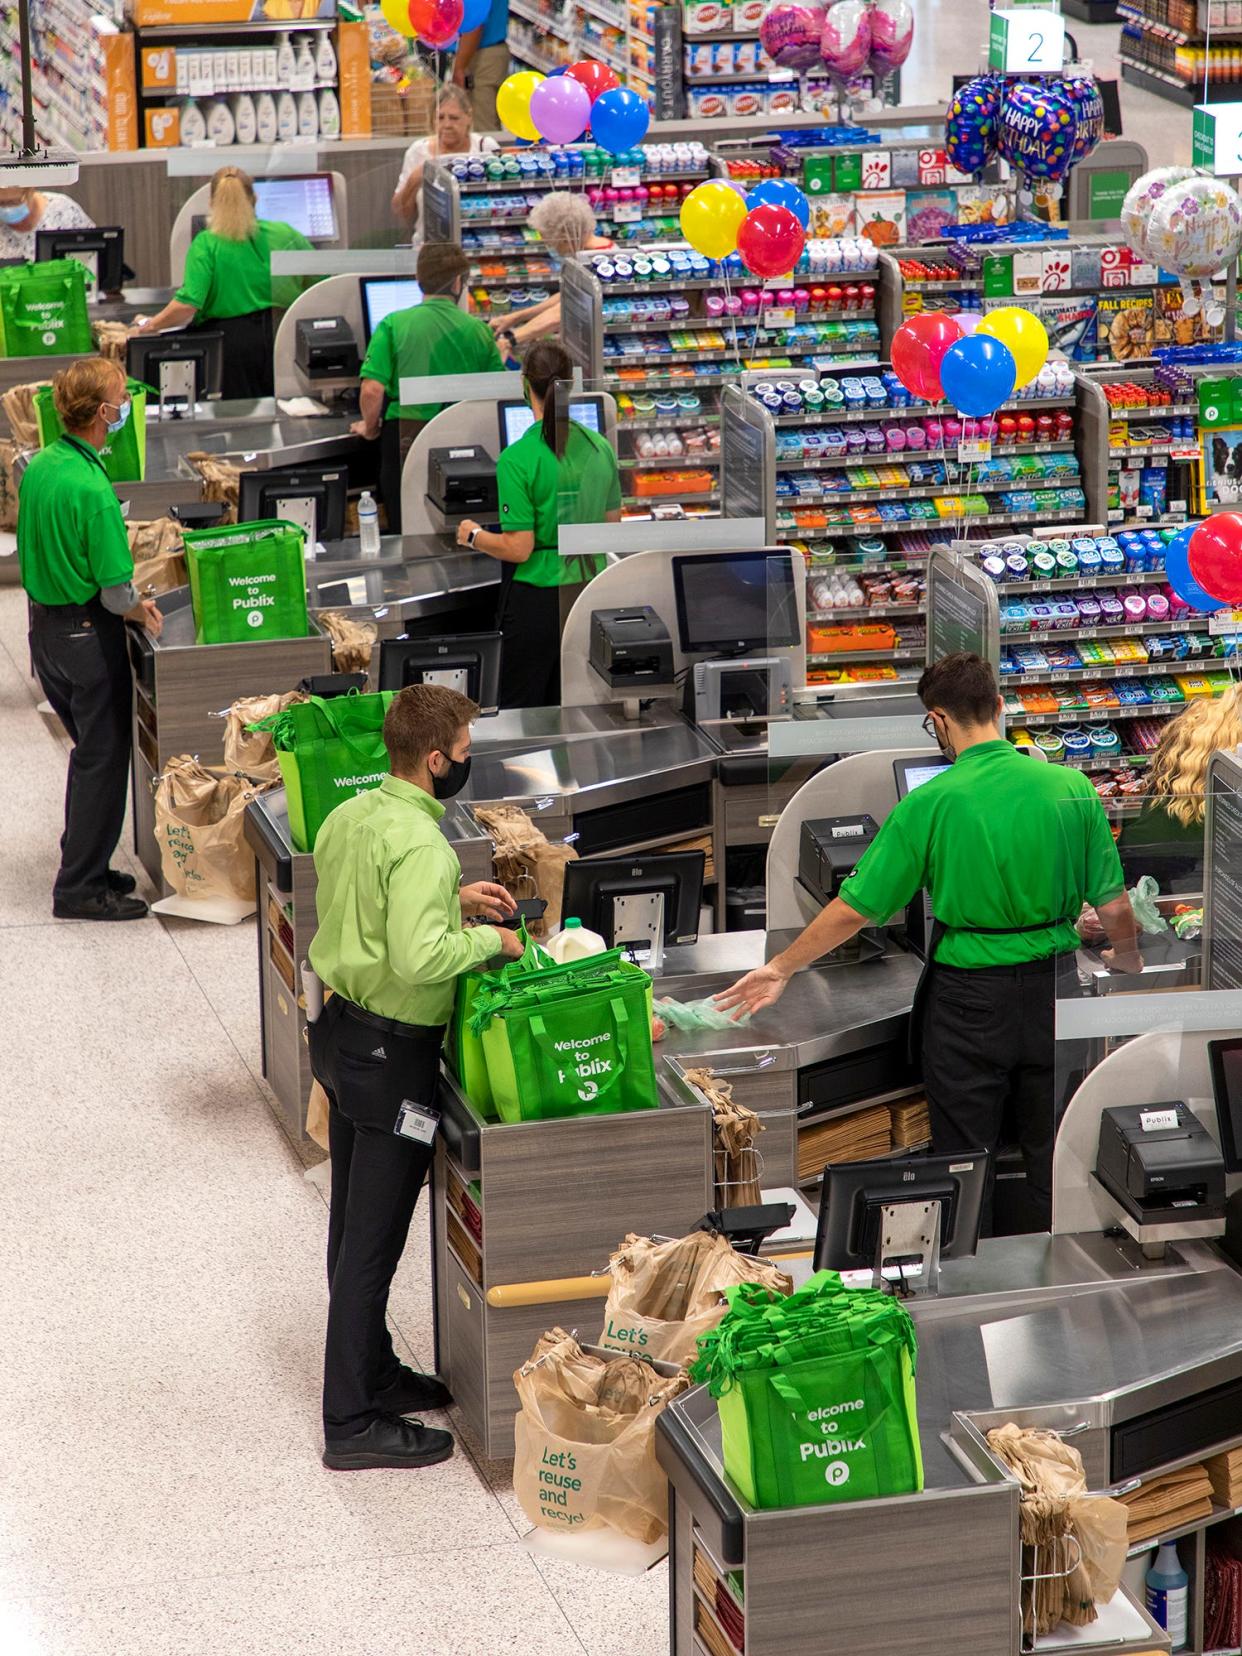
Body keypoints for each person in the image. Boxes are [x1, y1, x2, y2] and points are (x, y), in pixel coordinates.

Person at [715, 652, 1144, 1233]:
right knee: (1054, 1152)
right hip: (1056, 993)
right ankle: (1054, 1290)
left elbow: (856, 909)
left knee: (965, 1162)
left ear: (937, 720)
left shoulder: (931, 801)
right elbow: (1116, 906)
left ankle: (969, 1292)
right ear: (997, 706)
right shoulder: (1071, 787)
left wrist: (782, 968)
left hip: (969, 1002)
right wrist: (1128, 961)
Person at [308, 684, 523, 1469]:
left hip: (338, 1034)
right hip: (390, 1059)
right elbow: (420, 957)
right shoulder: (424, 845)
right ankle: (350, 1422)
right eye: (463, 753)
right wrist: (491, 944)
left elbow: (359, 902)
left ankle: (373, 1370)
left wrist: (447, 899)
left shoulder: (353, 813)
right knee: (373, 1243)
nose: (466, 763)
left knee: (349, 1227)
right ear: (434, 759)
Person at [17, 357, 163, 922]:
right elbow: (113, 591)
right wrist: (137, 609)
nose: (127, 403)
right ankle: (79, 888)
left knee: (88, 757)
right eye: (121, 396)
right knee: (103, 759)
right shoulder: (93, 489)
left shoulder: (43, 465)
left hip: (46, 633)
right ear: (104, 412)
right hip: (85, 635)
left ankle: (89, 861)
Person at [455, 339, 621, 707]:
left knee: (526, 708)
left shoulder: (518, 458)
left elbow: (519, 547)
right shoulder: (599, 447)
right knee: (579, 704)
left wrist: (474, 536)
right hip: (588, 592)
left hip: (537, 602)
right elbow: (612, 524)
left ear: (524, 385)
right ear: (571, 385)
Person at [353, 240, 503, 534]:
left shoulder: (393, 325)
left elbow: (372, 390)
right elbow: (496, 396)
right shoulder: (479, 332)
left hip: (406, 437)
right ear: (459, 282)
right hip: (463, 438)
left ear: (419, 280)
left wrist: (369, 427)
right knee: (458, 529)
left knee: (405, 526)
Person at [133, 166, 313, 399]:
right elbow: (318, 285)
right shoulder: (287, 234)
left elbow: (187, 305)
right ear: (254, 199)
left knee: (240, 420)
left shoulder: (207, 244)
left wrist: (149, 325)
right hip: (285, 335)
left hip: (232, 348)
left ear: (211, 203)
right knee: (285, 411)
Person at [493, 193, 614, 347]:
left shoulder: (600, 262)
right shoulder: (588, 253)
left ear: (564, 236)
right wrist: (515, 317)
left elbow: (561, 312)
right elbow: (565, 296)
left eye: (550, 240)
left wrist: (511, 340)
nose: (550, 246)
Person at [392, 84, 498, 235]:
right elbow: (402, 214)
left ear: (468, 117)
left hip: (482, 243)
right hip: (430, 247)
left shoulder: (485, 148)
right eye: (440, 118)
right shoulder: (418, 151)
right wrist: (414, 179)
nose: (447, 125)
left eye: (454, 118)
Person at [452, 0, 510, 134]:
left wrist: (459, 67)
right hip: (487, 52)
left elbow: (474, 25)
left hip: (482, 55)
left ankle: (488, 155)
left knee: (484, 126)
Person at [0, 187, 93, 262]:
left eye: (14, 202)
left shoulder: (63, 209)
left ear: (31, 191)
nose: (7, 209)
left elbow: (92, 253)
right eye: (1, 203)